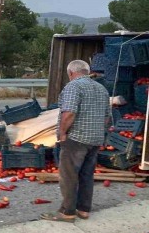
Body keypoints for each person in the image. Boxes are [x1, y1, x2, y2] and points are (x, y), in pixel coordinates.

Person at [41, 60, 110, 222]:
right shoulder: (101, 89)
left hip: (76, 138)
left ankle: (67, 212)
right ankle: (84, 209)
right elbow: (107, 117)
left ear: (71, 73)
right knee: (86, 175)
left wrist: (62, 133)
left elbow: (69, 113)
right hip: (95, 138)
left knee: (69, 175)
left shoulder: (73, 87)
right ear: (87, 71)